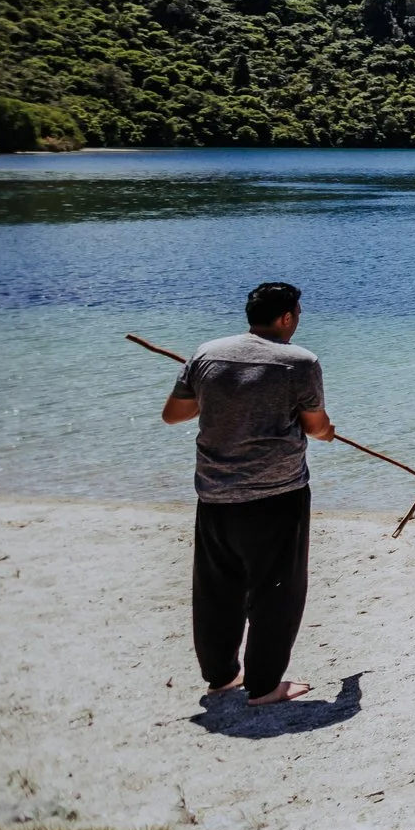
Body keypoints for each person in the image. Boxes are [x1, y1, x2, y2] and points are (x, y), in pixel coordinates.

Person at [159, 281, 334, 706]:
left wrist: (219, 391)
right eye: (298, 313)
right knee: (277, 590)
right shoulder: (299, 361)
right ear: (287, 317)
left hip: (215, 494)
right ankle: (264, 685)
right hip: (277, 494)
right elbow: (315, 425)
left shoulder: (206, 353)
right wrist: (327, 431)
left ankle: (221, 677)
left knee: (217, 589)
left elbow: (173, 415)